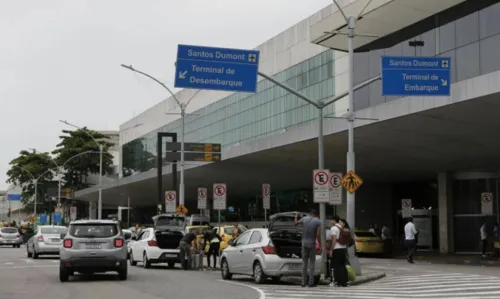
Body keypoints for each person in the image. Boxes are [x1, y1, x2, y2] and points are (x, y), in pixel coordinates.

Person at [295, 210, 322, 287]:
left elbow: (295, 223)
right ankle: (311, 283)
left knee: (304, 263)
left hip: (304, 243)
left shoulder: (304, 219)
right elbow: (318, 234)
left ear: (310, 214)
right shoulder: (318, 221)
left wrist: (296, 217)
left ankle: (303, 282)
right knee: (312, 263)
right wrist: (319, 245)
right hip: (312, 244)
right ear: (316, 214)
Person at [330, 216, 348, 287]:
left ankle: (336, 281)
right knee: (342, 265)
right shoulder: (342, 228)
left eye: (331, 220)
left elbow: (334, 239)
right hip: (343, 249)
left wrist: (331, 249)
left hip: (337, 249)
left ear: (334, 220)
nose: (331, 222)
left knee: (336, 266)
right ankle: (344, 282)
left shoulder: (333, 228)